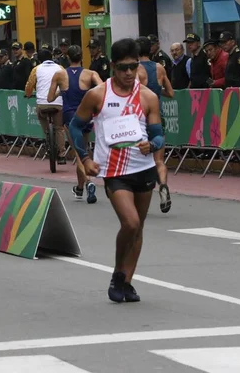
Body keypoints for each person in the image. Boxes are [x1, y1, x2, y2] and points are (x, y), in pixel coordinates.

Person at [69, 38, 164, 303]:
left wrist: (152, 144)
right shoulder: (98, 94)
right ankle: (117, 275)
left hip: (143, 168)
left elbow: (159, 135)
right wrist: (85, 159)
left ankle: (127, 281)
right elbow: (75, 127)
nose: (129, 73)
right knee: (130, 222)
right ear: (112, 67)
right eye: (123, 68)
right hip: (114, 171)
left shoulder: (148, 97)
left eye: (133, 67)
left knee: (139, 228)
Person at [47, 45, 102, 203]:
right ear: (81, 57)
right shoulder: (91, 73)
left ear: (68, 58)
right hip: (87, 115)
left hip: (71, 117)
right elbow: (102, 89)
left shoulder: (59, 74)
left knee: (79, 154)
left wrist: (61, 91)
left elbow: (50, 98)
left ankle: (89, 183)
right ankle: (79, 188)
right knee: (83, 149)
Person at [136, 36, 174, 213]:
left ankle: (140, 195)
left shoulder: (136, 70)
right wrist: (157, 92)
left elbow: (132, 92)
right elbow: (171, 93)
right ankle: (164, 185)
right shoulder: (160, 68)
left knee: (139, 160)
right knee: (159, 159)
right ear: (151, 49)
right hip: (159, 116)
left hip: (141, 118)